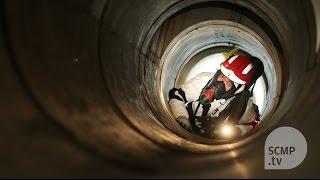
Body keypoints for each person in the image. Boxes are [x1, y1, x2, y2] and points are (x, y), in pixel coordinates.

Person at [168, 49, 264, 139]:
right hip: (189, 121)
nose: (221, 84)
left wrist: (236, 131)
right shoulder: (203, 80)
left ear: (238, 88)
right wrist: (182, 117)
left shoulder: (243, 104)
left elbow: (251, 125)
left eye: (229, 83)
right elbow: (177, 96)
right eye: (222, 76)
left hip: (212, 138)